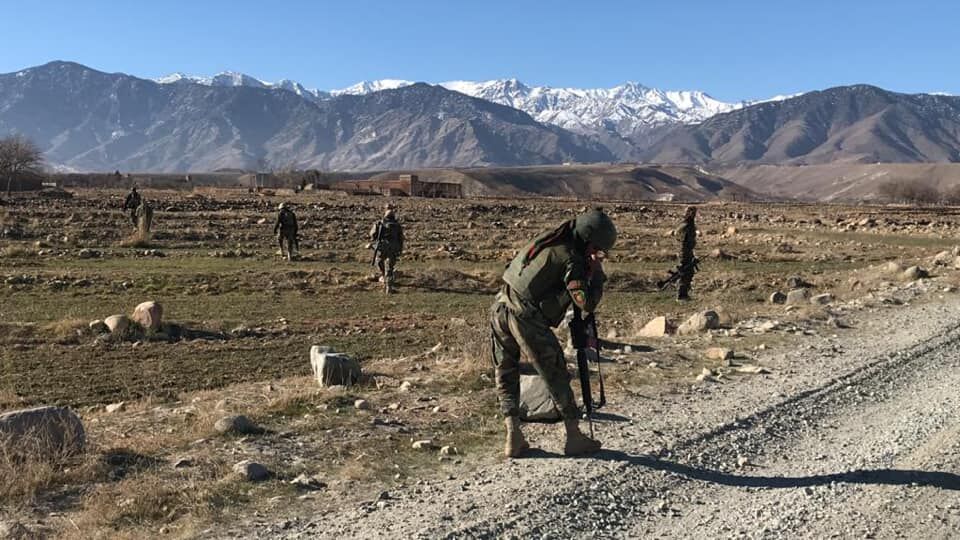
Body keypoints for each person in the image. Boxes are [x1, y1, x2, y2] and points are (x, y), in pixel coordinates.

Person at [490, 208, 616, 458]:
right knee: (555, 371)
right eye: (598, 250)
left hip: (500, 306)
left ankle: (513, 437)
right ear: (589, 241)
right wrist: (598, 275)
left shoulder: (552, 239)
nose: (597, 255)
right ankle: (573, 436)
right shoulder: (571, 258)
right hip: (523, 316)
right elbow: (585, 303)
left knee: (506, 371)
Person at [369, 204, 404, 293]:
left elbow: (373, 234)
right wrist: (400, 249)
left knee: (379, 261)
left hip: (382, 246)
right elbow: (401, 238)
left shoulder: (379, 223)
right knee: (390, 266)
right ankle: (389, 286)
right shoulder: (397, 225)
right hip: (393, 247)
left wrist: (374, 242)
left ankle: (383, 276)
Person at [675, 206, 698, 301]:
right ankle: (681, 295)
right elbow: (681, 240)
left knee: (689, 271)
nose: (694, 214)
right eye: (692, 212)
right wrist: (684, 252)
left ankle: (685, 293)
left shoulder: (690, 224)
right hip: (684, 252)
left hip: (688, 251)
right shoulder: (685, 226)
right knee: (684, 272)